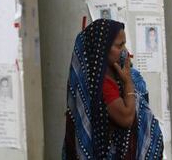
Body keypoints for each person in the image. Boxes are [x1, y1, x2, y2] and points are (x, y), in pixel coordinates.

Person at [62, 19, 163, 159]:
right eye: (119, 46)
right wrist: (128, 82)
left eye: (125, 45)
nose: (125, 52)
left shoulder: (113, 76)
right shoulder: (101, 84)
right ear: (102, 48)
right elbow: (126, 117)